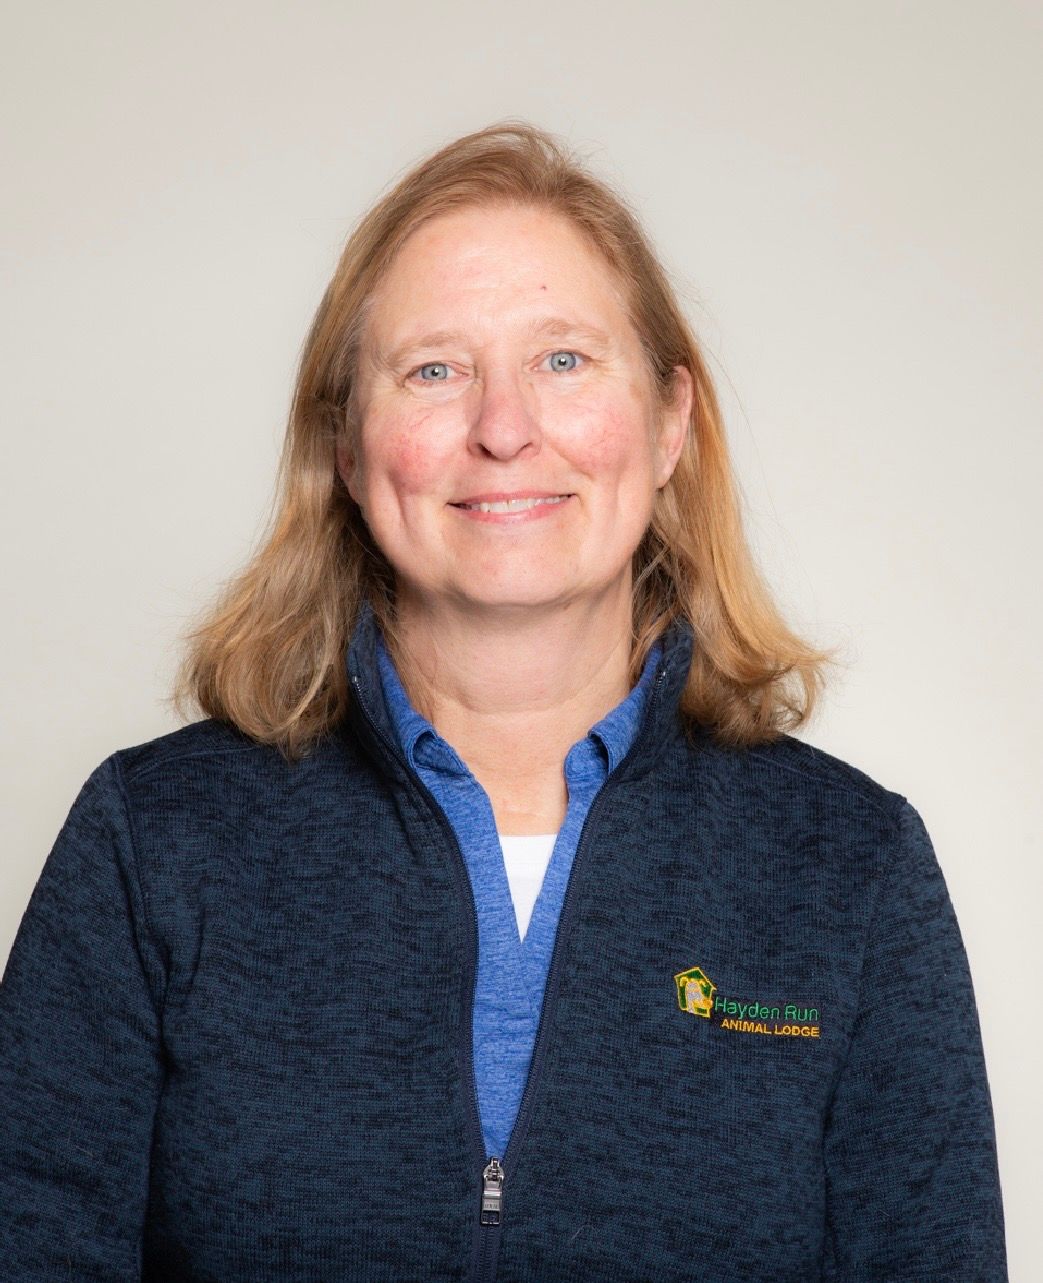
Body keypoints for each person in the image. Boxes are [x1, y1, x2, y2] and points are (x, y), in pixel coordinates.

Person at [0, 121, 1007, 1281]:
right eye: (434, 368)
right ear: (345, 438)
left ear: (671, 420)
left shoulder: (850, 867)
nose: (502, 427)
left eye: (563, 359)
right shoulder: (151, 839)